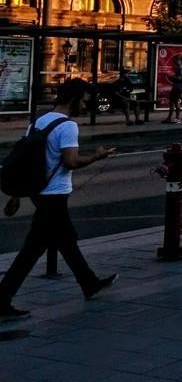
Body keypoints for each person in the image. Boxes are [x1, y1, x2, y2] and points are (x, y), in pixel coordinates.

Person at [0, 79, 118, 319]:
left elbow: (27, 161)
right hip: (54, 194)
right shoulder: (68, 126)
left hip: (38, 192)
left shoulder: (39, 122)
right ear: (74, 98)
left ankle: (89, 282)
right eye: (84, 98)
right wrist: (97, 156)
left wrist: (16, 194)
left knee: (65, 241)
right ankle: (2, 299)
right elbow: (71, 161)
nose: (86, 103)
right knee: (33, 249)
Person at [163, 57, 182, 124]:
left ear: (179, 61)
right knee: (171, 102)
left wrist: (171, 76)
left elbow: (180, 78)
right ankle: (169, 118)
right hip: (176, 87)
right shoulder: (179, 68)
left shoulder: (180, 68)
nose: (174, 63)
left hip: (178, 87)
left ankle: (177, 118)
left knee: (176, 102)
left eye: (175, 61)